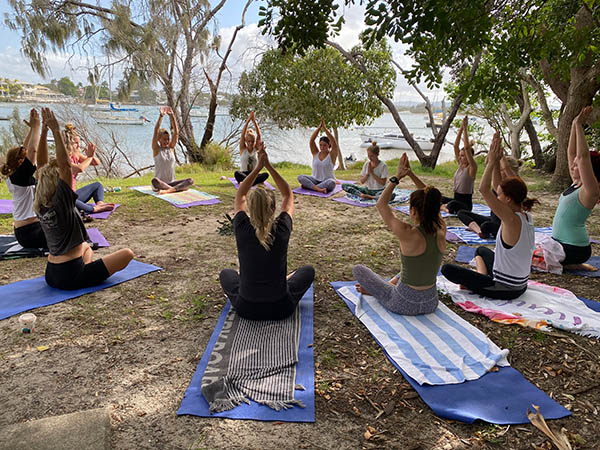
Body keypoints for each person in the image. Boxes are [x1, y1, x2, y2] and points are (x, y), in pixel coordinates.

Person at [34, 108, 134, 290]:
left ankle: (85, 270)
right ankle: (84, 275)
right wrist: (56, 131)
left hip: (52, 272)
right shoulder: (61, 202)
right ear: (58, 184)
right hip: (70, 275)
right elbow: (65, 166)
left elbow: (41, 164)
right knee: (127, 254)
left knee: (87, 248)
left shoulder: (40, 202)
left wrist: (43, 131)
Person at [219, 139, 315, 320]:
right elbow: (288, 194)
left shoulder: (241, 226)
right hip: (281, 307)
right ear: (273, 208)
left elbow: (240, 195)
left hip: (246, 308)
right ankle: (283, 280)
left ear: (251, 208)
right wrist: (267, 165)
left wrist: (257, 168)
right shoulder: (282, 228)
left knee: (226, 273)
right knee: (308, 270)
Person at [441, 132, 538, 300]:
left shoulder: (510, 219)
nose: (496, 197)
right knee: (481, 250)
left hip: (506, 288)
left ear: (508, 199)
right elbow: (499, 186)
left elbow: (484, 189)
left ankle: (482, 281)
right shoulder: (525, 214)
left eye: (499, 195)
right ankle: (482, 278)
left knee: (447, 269)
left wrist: (492, 161)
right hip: (520, 284)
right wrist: (497, 159)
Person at [353, 153, 446, 315]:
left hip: (403, 302)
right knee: (408, 268)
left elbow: (381, 204)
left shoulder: (407, 233)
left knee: (358, 269)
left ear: (413, 211)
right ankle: (389, 285)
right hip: (431, 302)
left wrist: (397, 178)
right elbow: (430, 198)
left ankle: (381, 290)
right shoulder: (441, 228)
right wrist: (410, 173)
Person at [551, 106, 600, 271]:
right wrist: (573, 124)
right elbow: (571, 153)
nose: (572, 165)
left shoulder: (590, 190)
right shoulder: (576, 183)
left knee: (529, 255)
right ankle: (572, 264)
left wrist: (580, 126)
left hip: (574, 248)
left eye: (577, 165)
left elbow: (582, 156)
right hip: (561, 244)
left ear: (588, 170)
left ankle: (574, 263)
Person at [1, 108, 46, 249]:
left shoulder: (14, 175)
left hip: (27, 230)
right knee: (68, 234)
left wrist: (32, 130)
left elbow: (25, 149)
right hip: (30, 233)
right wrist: (37, 127)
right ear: (20, 162)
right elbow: (32, 151)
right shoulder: (19, 177)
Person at [457, 155, 521, 239]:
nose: (499, 172)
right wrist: (492, 161)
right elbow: (486, 188)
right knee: (462, 213)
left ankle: (481, 229)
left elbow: (484, 188)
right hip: (493, 219)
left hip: (505, 224)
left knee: (486, 226)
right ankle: (478, 230)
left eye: (501, 170)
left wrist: (497, 161)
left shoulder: (516, 187)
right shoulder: (499, 186)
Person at [63, 123, 115, 216]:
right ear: (68, 144)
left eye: (79, 142)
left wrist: (91, 156)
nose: (79, 145)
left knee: (97, 185)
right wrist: (89, 156)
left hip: (74, 195)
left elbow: (96, 163)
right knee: (69, 199)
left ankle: (100, 204)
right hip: (64, 198)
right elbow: (80, 168)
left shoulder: (76, 154)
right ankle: (93, 209)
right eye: (76, 143)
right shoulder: (62, 158)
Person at [151, 106, 194, 194]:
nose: (167, 141)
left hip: (172, 183)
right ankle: (177, 189)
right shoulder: (156, 149)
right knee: (154, 181)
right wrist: (161, 116)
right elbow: (156, 131)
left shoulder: (171, 149)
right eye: (164, 139)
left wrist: (172, 116)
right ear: (159, 139)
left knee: (190, 180)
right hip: (160, 183)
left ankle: (169, 190)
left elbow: (176, 132)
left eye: (168, 139)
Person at [441, 116, 477, 214]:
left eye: (463, 156)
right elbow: (455, 146)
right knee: (439, 198)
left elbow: (466, 148)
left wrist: (465, 129)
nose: (460, 158)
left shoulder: (472, 168)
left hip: (465, 204)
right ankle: (444, 206)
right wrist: (461, 128)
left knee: (452, 204)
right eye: (460, 156)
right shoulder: (461, 165)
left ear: (469, 157)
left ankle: (444, 208)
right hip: (456, 198)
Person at [297, 118, 339, 193]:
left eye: (324, 145)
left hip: (326, 181)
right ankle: (318, 189)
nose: (322, 147)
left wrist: (325, 129)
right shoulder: (315, 153)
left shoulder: (332, 155)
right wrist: (319, 128)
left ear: (329, 145)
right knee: (300, 177)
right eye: (320, 145)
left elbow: (334, 143)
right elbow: (311, 141)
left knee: (332, 182)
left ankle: (310, 187)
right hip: (314, 180)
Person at [234, 111, 268, 186]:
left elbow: (259, 135)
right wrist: (248, 120)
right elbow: (242, 135)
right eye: (248, 141)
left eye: (252, 141)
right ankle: (253, 182)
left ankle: (248, 182)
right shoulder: (243, 149)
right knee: (237, 173)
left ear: (254, 141)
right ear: (246, 141)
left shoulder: (256, 149)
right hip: (243, 173)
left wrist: (254, 121)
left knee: (266, 174)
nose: (250, 143)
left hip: (254, 174)